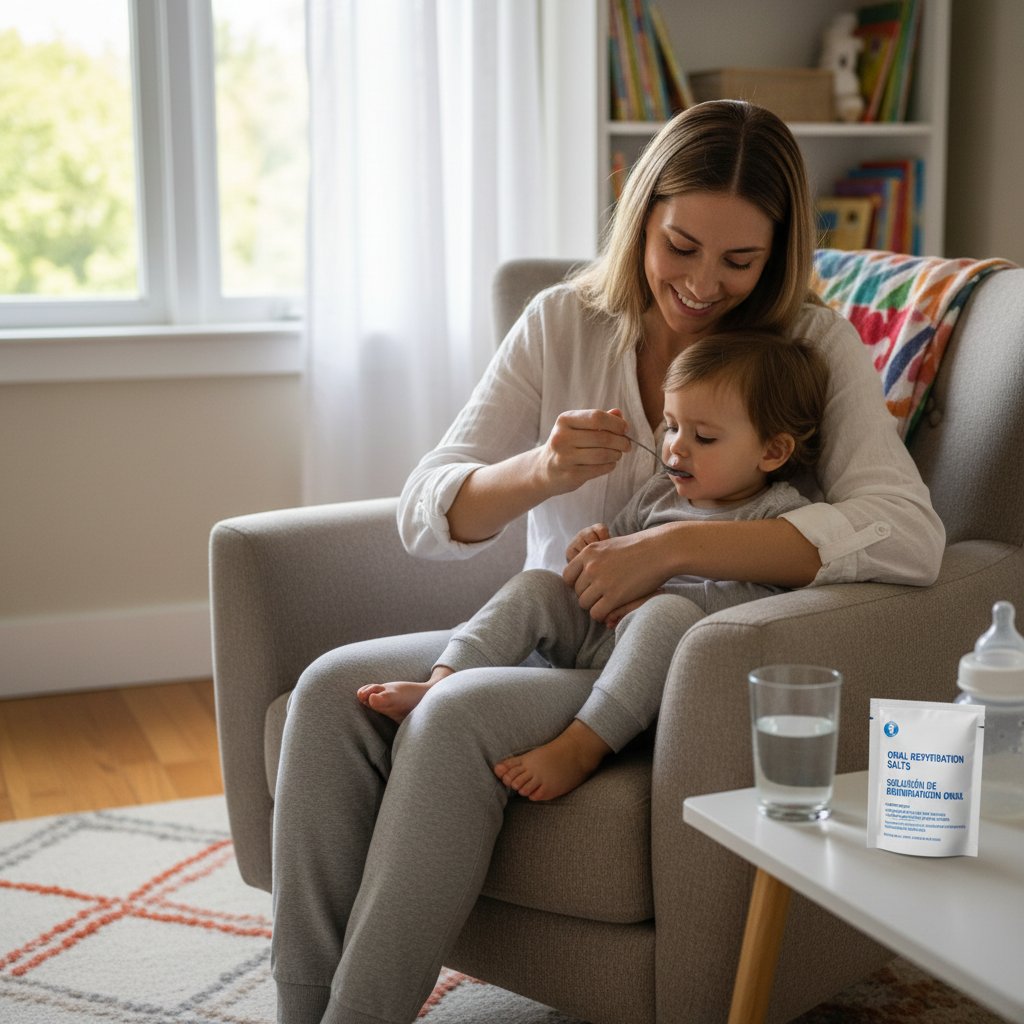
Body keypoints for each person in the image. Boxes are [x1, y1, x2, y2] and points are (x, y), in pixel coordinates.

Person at [271, 100, 945, 1024]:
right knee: (325, 693)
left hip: (664, 667)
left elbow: (906, 532)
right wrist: (540, 471)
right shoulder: (563, 323)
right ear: (641, 218)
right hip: (555, 636)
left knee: (458, 715)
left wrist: (673, 545)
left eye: (739, 260)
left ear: (778, 255)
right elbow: (424, 511)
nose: (702, 284)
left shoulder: (806, 349)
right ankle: (300, 1009)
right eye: (681, 246)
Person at [356, 329, 828, 801]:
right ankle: (442, 680)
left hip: (656, 670)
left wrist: (664, 597)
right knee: (538, 585)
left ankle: (583, 746)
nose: (676, 448)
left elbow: (767, 603)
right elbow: (615, 551)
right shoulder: (659, 493)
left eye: (703, 437)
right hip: (599, 633)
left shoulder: (778, 517)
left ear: (772, 452)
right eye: (671, 427)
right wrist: (591, 549)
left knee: (665, 614)